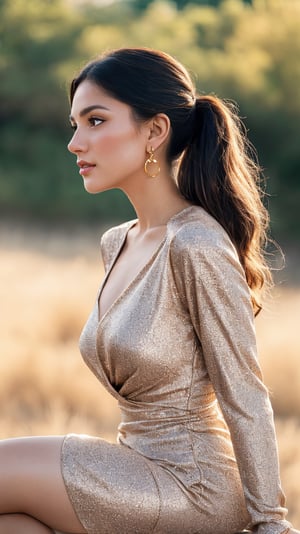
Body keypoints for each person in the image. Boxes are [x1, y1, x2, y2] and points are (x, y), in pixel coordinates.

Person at [0, 47, 298, 534]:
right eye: (74, 124)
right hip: (133, 467)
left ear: (155, 132)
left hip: (194, 487)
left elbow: (243, 389)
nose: (75, 143)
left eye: (95, 121)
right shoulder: (116, 242)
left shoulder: (196, 242)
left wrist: (270, 521)